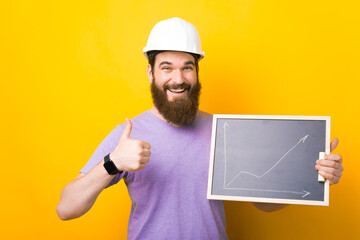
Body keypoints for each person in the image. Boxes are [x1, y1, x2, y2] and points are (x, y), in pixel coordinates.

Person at [57, 17, 344, 239]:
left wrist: (311, 177)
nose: (178, 78)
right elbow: (66, 209)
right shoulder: (129, 135)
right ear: (150, 72)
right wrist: (112, 163)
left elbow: (264, 204)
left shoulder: (224, 131)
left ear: (196, 72)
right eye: (167, 67)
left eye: (187, 67)